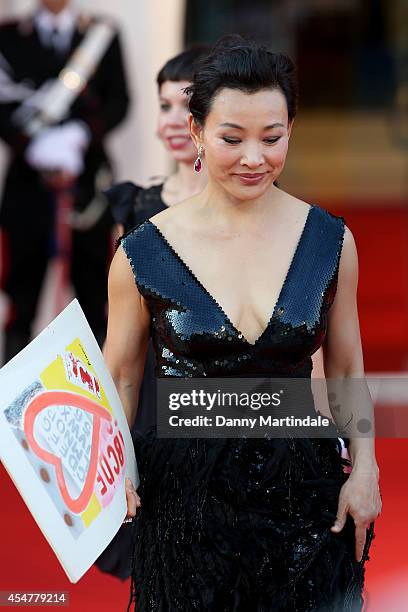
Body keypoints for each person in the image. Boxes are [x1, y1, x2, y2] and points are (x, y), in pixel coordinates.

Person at [106, 36, 382, 611]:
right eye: (232, 139)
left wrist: (365, 469)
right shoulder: (142, 251)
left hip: (305, 494)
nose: (254, 158)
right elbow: (121, 379)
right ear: (198, 132)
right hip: (184, 504)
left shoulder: (330, 241)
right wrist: (109, 475)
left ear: (291, 131)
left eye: (272, 138)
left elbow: (347, 364)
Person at [95, 46, 208, 580]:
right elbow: (122, 332)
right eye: (163, 106)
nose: (172, 122)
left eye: (186, 105)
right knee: (161, 554)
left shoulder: (265, 205)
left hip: (229, 400)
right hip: (151, 400)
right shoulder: (136, 205)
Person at [0, 0, 130, 361]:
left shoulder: (101, 33)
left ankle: (92, 390)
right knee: (20, 298)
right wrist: (34, 144)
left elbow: (119, 100)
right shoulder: (8, 37)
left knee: (93, 293)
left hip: (87, 186)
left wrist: (81, 134)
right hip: (28, 186)